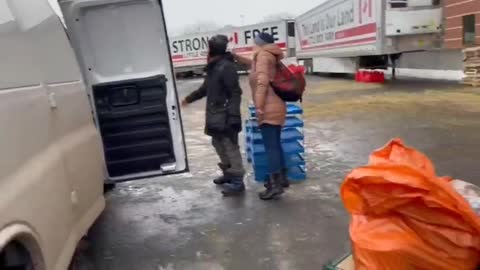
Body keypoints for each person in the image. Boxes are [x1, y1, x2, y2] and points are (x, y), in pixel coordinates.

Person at [181, 35, 245, 196]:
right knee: (218, 144)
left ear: (213, 49)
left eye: (209, 48)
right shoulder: (214, 67)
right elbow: (205, 89)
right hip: (215, 115)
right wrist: (189, 99)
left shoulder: (227, 67)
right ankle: (228, 174)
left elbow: (235, 92)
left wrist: (233, 116)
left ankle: (238, 182)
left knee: (230, 146)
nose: (207, 51)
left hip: (225, 115)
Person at [234, 33, 288, 200]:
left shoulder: (263, 56)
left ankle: (275, 185)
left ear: (260, 44)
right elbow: (256, 66)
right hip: (276, 104)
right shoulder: (268, 55)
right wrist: (237, 57)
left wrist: (258, 105)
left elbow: (262, 81)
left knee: (271, 147)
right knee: (275, 144)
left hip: (268, 107)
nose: (253, 46)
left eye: (254, 43)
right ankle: (281, 178)